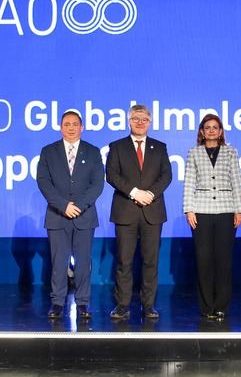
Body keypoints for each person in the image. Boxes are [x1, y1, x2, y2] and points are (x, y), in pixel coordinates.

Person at [106, 104, 172, 320]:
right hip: (126, 211)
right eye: (136, 118)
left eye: (144, 119)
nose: (140, 122)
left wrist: (150, 194)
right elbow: (112, 175)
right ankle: (123, 305)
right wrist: (135, 192)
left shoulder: (159, 147)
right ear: (129, 121)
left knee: (150, 261)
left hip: (152, 212)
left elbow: (166, 176)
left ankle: (148, 305)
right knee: (124, 261)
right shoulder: (117, 146)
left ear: (149, 122)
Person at [36, 110, 104, 319]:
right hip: (57, 215)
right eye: (67, 124)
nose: (71, 127)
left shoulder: (92, 152)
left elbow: (97, 183)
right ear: (60, 127)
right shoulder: (49, 151)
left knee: (83, 262)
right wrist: (64, 205)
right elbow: (43, 181)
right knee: (58, 262)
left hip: (84, 216)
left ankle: (83, 303)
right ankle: (57, 302)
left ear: (82, 127)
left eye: (75, 124)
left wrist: (79, 206)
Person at [183, 114, 241, 320]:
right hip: (200, 211)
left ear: (220, 131)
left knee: (223, 260)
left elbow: (237, 181)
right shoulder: (194, 152)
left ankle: (221, 306)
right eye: (207, 127)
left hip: (226, 210)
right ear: (201, 131)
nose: (211, 130)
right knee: (204, 260)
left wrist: (239, 210)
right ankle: (206, 306)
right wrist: (188, 209)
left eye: (215, 127)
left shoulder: (231, 152)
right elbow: (189, 183)